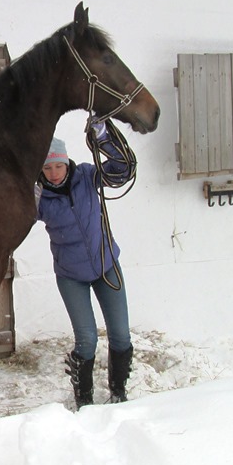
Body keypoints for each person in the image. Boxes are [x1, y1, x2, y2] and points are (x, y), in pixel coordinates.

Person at [36, 124, 134, 409]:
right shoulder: (39, 196)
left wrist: (104, 138)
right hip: (71, 276)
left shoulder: (88, 176)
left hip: (106, 266)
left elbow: (122, 170)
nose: (54, 173)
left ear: (67, 162)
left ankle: (119, 392)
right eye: (47, 168)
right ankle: (84, 400)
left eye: (58, 165)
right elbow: (16, 215)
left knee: (121, 335)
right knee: (87, 339)